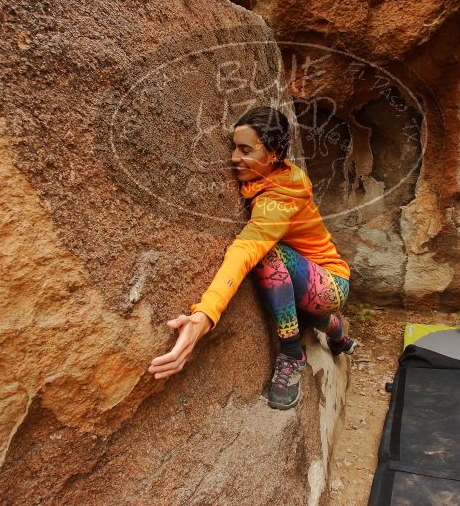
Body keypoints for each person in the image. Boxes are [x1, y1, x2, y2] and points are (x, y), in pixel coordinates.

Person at [148, 106, 356, 410]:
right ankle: (338, 337)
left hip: (331, 284)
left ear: (273, 154)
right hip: (311, 278)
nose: (233, 157)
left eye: (245, 149)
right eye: (234, 146)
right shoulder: (270, 174)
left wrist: (206, 314)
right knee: (310, 311)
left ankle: (291, 353)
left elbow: (245, 250)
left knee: (268, 257)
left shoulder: (280, 198)